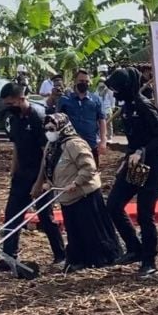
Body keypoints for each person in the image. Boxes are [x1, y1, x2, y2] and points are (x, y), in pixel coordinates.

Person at [105, 67, 158, 278]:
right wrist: (126, 158)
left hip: (152, 165)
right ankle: (134, 248)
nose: (115, 93)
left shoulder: (144, 106)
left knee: (145, 213)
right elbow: (135, 140)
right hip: (136, 164)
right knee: (114, 205)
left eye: (117, 88)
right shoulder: (127, 107)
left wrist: (142, 151)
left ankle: (149, 261)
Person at [33, 113, 121, 272]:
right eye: (47, 129)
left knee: (90, 229)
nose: (49, 132)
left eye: (52, 129)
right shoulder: (52, 146)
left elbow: (89, 167)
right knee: (74, 231)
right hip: (66, 196)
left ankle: (103, 258)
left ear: (61, 127)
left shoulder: (75, 144)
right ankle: (79, 259)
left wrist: (76, 182)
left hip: (84, 195)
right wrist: (48, 184)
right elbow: (52, 168)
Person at [0, 83, 65, 270]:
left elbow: (46, 152)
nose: (8, 106)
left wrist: (40, 181)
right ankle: (9, 256)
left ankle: (60, 255)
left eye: (11, 102)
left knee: (45, 216)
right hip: (22, 174)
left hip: (39, 174)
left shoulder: (38, 116)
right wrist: (13, 170)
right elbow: (17, 146)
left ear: (21, 99)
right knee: (12, 215)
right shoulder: (14, 117)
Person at [57, 69, 107, 166]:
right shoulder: (64, 100)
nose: (84, 83)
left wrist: (103, 140)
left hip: (90, 144)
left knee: (92, 175)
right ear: (75, 81)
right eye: (81, 81)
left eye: (86, 81)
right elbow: (58, 120)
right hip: (70, 145)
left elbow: (102, 119)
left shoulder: (96, 100)